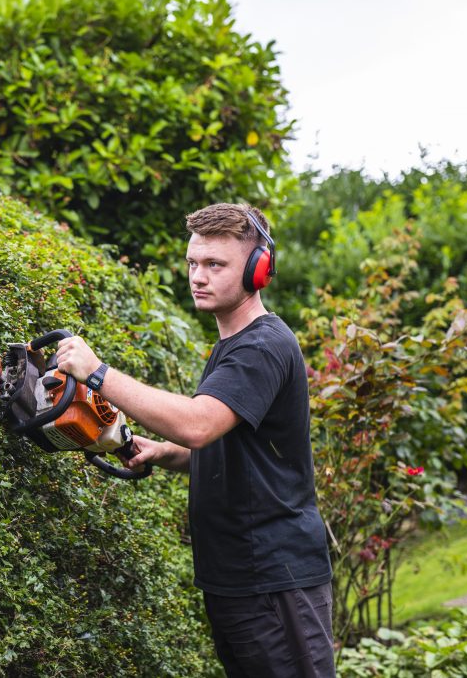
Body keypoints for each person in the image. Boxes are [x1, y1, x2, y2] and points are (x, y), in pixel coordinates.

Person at [56, 203, 335, 677]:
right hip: (237, 577)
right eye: (192, 263)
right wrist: (167, 453)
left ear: (257, 269)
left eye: (215, 264)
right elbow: (233, 445)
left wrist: (97, 373)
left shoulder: (262, 347)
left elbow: (199, 424)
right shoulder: (231, 345)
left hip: (274, 579)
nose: (197, 277)